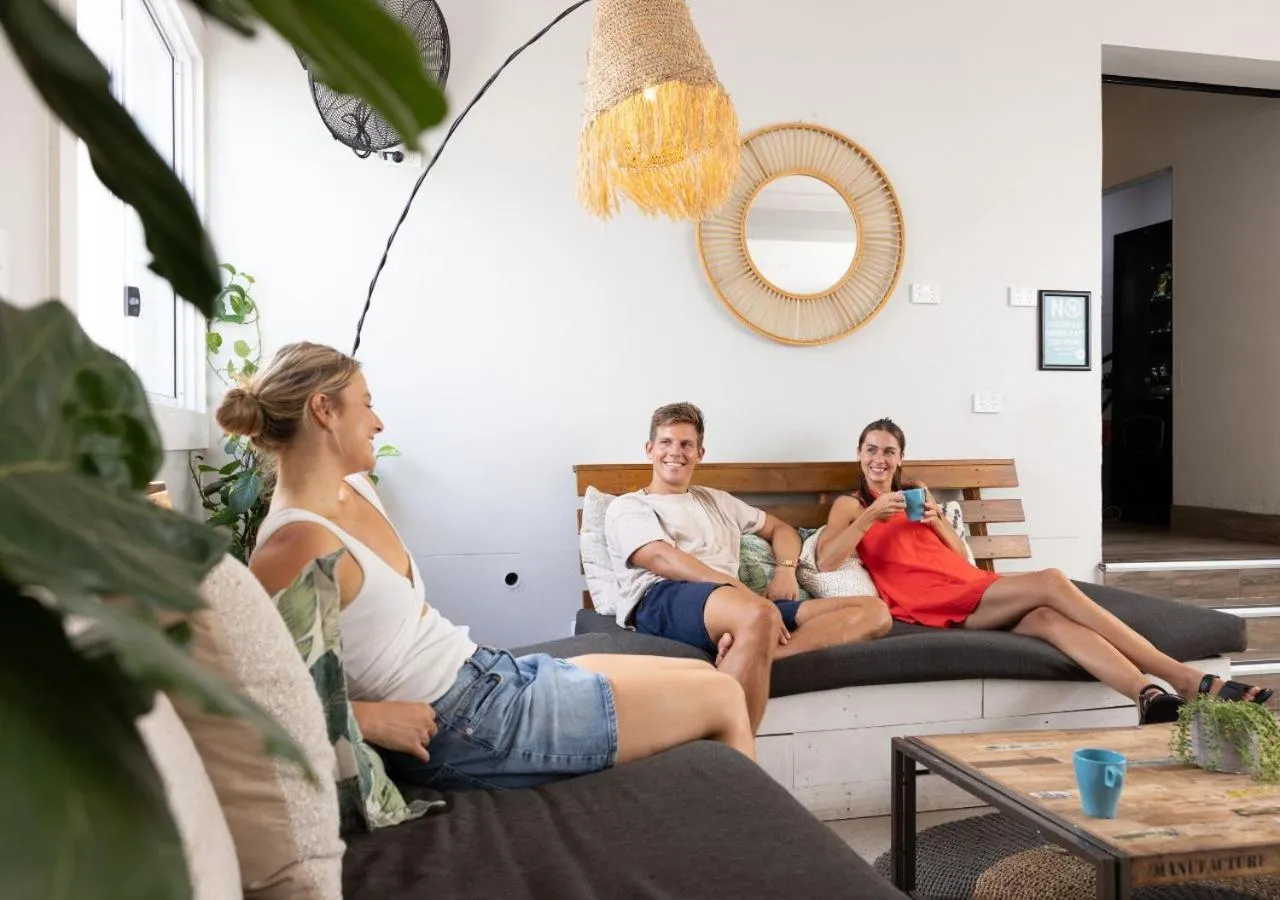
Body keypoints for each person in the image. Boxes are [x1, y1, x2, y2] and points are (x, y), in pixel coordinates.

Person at [217, 342, 755, 791]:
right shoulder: (295, 543)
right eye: (366, 404)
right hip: (468, 725)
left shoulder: (352, 490)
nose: (378, 421)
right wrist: (369, 719)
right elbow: (237, 693)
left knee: (705, 673)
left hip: (489, 675)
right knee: (724, 696)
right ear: (323, 410)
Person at [816, 417, 1274, 723]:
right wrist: (869, 518)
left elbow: (957, 560)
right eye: (872, 449)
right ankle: (1185, 677)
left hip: (968, 585)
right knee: (1053, 580)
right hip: (932, 604)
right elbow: (827, 559)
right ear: (859, 454)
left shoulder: (915, 498)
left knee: (1050, 620)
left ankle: (1147, 697)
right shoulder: (849, 505)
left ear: (901, 459)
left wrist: (938, 520)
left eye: (889, 451)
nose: (880, 459)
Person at [605, 402, 891, 731]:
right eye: (666, 442)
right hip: (666, 598)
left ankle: (751, 651)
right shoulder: (629, 506)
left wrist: (785, 570)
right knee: (761, 615)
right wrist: (743, 593)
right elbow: (660, 558)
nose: (675, 452)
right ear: (649, 449)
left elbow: (781, 529)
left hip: (738, 606)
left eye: (686, 444)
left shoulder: (716, 501)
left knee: (875, 613)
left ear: (700, 452)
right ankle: (735, 755)